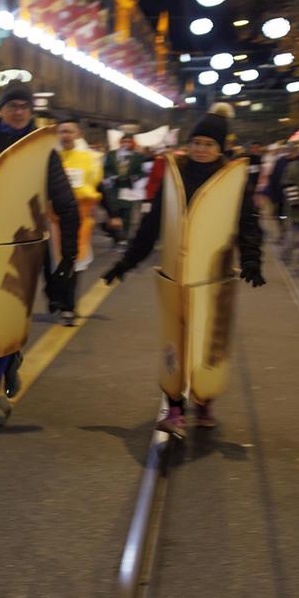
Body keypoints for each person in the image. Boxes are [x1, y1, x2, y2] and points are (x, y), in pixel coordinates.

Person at [102, 104, 264, 434]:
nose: (201, 149)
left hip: (213, 277)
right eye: (197, 143)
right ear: (189, 145)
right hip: (176, 276)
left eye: (209, 144)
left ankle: (204, 401)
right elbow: (151, 225)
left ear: (220, 148)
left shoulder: (231, 180)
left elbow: (247, 222)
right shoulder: (175, 177)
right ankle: (175, 409)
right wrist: (125, 263)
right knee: (174, 340)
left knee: (208, 341)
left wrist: (251, 258)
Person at [0, 82, 80, 423]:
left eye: (24, 107)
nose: (18, 111)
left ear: (31, 111)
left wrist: (69, 258)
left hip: (23, 247)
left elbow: (65, 202)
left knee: (6, 321)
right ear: (0, 109)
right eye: (12, 105)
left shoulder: (42, 149)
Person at [56, 116, 104, 273]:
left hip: (80, 217)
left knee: (76, 262)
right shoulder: (52, 157)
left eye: (70, 131)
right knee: (55, 263)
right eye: (62, 132)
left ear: (78, 134)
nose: (66, 135)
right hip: (55, 218)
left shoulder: (90, 158)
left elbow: (100, 186)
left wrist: (113, 214)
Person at [103, 131, 145, 246]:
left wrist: (135, 177)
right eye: (124, 141)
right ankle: (115, 238)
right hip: (114, 189)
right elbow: (106, 169)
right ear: (120, 142)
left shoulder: (138, 156)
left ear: (133, 143)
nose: (126, 143)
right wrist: (110, 177)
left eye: (129, 141)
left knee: (127, 215)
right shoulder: (111, 154)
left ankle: (124, 239)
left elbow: (141, 172)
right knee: (114, 215)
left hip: (128, 189)